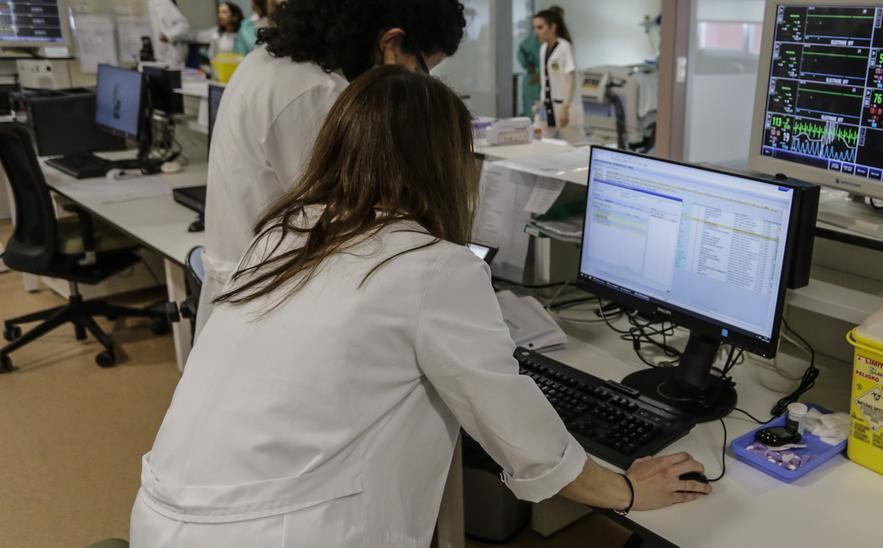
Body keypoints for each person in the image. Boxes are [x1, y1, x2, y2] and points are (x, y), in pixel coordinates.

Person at [130, 65, 710, 545]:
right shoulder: (431, 268)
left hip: (162, 515)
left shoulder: (281, 232)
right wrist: (626, 489)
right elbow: (519, 432)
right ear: (445, 165)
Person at [196, 0, 468, 335]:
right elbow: (357, 230)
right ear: (392, 43)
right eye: (425, 69)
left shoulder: (264, 63)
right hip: (271, 307)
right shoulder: (318, 94)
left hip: (248, 290)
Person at [534, 6, 585, 141]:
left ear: (552, 27)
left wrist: (565, 108)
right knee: (537, 140)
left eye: (540, 27)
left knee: (576, 147)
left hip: (565, 107)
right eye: (535, 28)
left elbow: (571, 79)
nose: (536, 32)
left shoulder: (564, 47)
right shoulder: (543, 48)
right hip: (547, 107)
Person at [147, 0, 190, 69]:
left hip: (171, 59)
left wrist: (168, 36)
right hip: (160, 58)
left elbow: (183, 26)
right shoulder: (151, 2)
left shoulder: (162, 2)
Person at [516, 25, 540, 119]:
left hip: (546, 80)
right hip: (533, 80)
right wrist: (530, 68)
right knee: (532, 115)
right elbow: (521, 52)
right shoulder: (534, 39)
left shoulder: (561, 44)